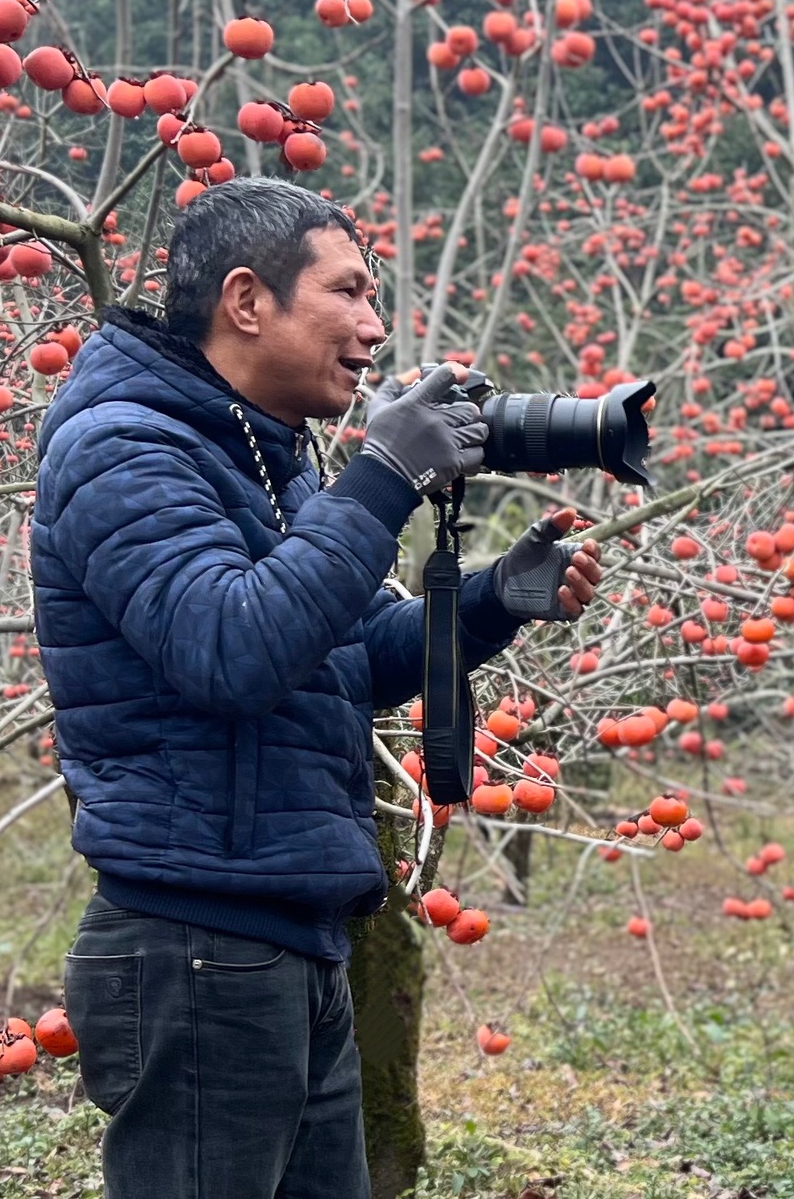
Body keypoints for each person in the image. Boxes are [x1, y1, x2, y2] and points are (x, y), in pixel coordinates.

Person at [31, 178, 603, 1199]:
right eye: (346, 293)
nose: (374, 327)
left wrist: (490, 604)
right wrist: (383, 478)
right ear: (246, 300)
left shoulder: (267, 457)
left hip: (285, 934)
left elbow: (341, 657)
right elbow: (230, 650)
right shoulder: (123, 446)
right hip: (195, 948)